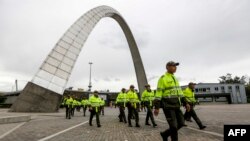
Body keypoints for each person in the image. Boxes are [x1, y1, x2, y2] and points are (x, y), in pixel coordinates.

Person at [154, 61, 190, 141]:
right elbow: (159, 93)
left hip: (176, 105)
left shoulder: (175, 78)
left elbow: (180, 92)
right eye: (173, 66)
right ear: (167, 67)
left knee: (181, 123)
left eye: (175, 66)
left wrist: (185, 103)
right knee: (173, 127)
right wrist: (157, 107)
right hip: (168, 106)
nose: (175, 68)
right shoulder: (163, 78)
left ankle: (164, 134)